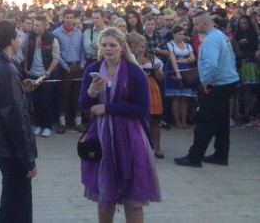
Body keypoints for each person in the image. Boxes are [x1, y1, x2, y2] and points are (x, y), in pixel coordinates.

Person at [79, 27, 161, 222]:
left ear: (122, 47)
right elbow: (83, 104)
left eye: (112, 45)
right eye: (104, 45)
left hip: (130, 136)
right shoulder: (93, 69)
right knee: (104, 194)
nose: (108, 49)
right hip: (101, 136)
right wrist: (92, 91)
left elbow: (142, 109)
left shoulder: (134, 72)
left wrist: (108, 108)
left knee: (133, 196)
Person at [0, 20, 38, 223]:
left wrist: (21, 88)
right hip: (9, 145)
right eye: (18, 36)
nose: (20, 39)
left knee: (11, 196)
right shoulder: (5, 70)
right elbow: (15, 120)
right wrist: (28, 159)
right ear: (12, 40)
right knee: (17, 200)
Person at [175, 14, 240, 167]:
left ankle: (195, 157)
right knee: (221, 121)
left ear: (205, 23)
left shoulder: (211, 40)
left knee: (204, 120)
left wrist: (205, 83)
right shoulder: (220, 35)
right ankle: (221, 154)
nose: (195, 28)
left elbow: (211, 65)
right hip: (227, 82)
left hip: (216, 84)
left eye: (197, 24)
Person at [164, 25, 197, 129]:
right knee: (176, 97)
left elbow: (192, 58)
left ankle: (184, 120)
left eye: (183, 34)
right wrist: (177, 72)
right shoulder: (170, 44)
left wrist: (181, 61)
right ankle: (177, 121)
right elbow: (172, 59)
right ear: (174, 34)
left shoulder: (187, 45)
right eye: (179, 34)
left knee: (185, 98)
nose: (182, 36)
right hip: (174, 70)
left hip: (187, 71)